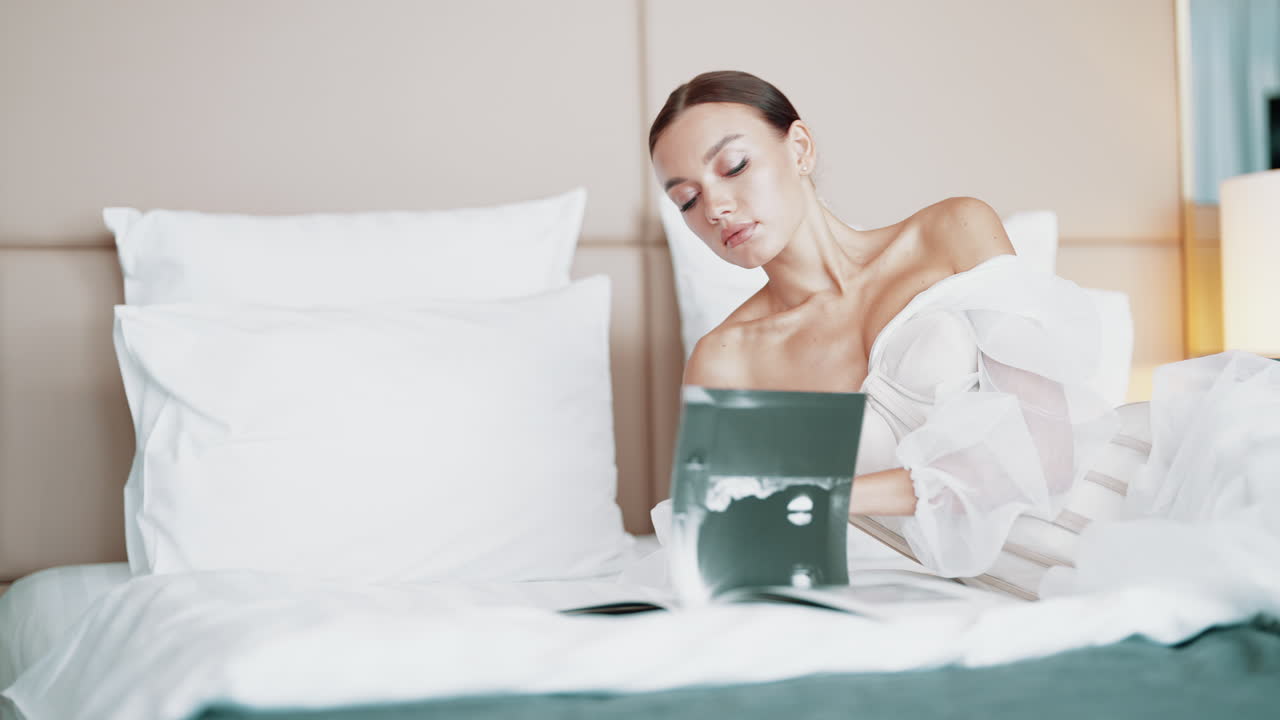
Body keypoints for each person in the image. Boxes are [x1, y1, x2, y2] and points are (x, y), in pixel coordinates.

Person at [646, 70, 1121, 594]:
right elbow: (732, 541)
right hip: (982, 586)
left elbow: (1045, 453)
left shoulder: (951, 232)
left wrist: (822, 492)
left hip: (1126, 505)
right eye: (687, 200)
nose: (715, 208)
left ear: (799, 148)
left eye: (734, 166)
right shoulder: (727, 359)